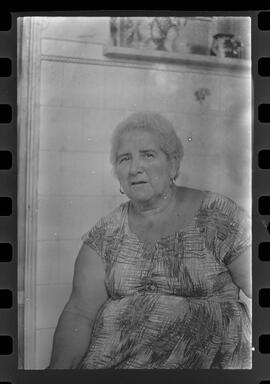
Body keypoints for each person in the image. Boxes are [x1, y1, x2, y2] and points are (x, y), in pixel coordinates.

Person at [48, 111, 251, 369]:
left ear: (173, 164)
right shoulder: (105, 234)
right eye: (125, 159)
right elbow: (80, 313)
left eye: (148, 154)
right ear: (118, 174)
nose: (135, 168)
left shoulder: (218, 215)